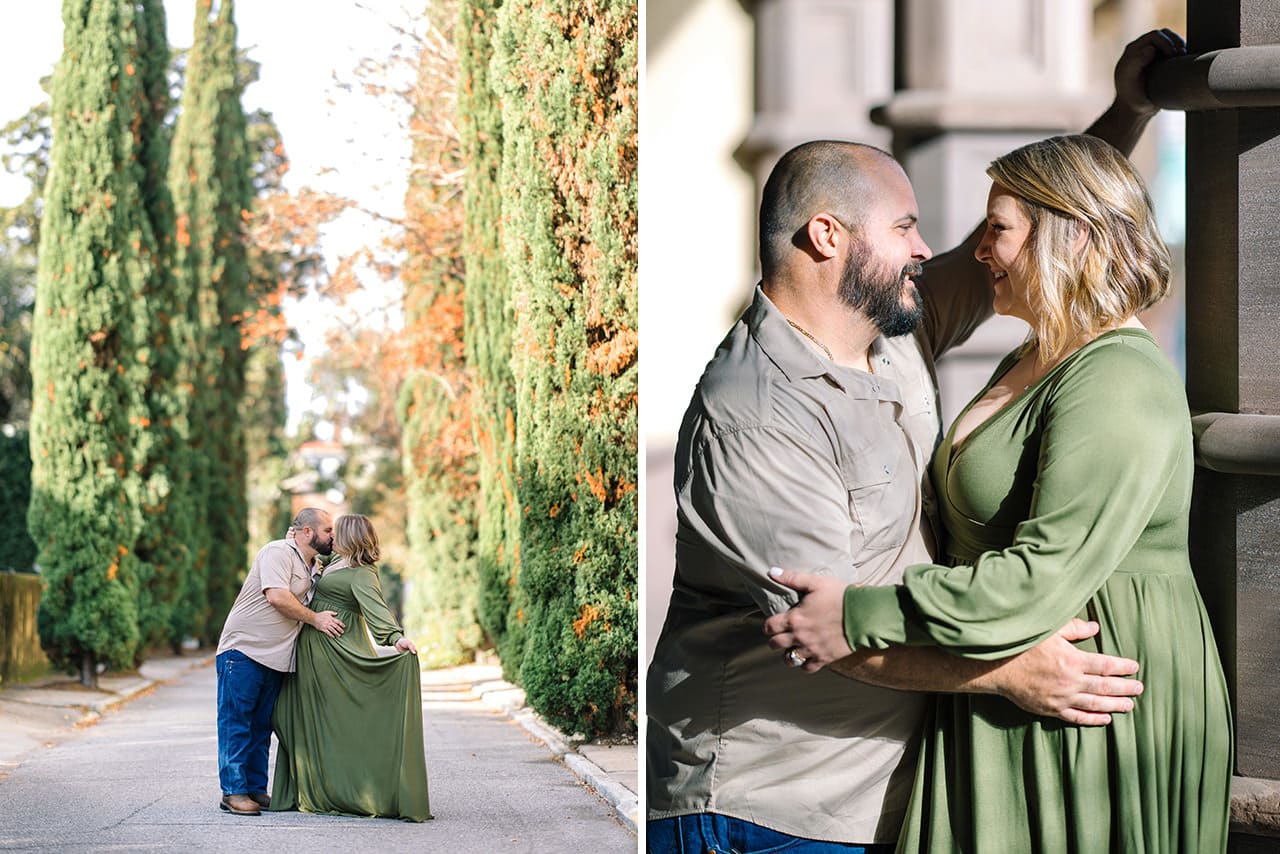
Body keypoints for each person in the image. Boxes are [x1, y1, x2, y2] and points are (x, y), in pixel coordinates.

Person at [646, 29, 1188, 854]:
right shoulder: (753, 416)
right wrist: (1010, 675)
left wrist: (1130, 107)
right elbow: (824, 635)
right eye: (904, 227)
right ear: (830, 237)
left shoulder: (893, 326)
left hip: (887, 790)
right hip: (770, 809)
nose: (927, 249)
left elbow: (1055, 225)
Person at [764, 134, 1231, 852]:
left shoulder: (1119, 379)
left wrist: (858, 616)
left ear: (1072, 235)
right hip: (1008, 679)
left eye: (999, 229)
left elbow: (1038, 577)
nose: (979, 249)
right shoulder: (1035, 356)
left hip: (1089, 702)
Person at [269, 513, 432, 822]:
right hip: (314, 651)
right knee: (292, 716)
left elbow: (376, 611)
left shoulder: (362, 572)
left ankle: (346, 790)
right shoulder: (335, 564)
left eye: (335, 531)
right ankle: (309, 784)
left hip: (335, 654)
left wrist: (396, 638)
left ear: (350, 536)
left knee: (338, 723)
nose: (330, 535)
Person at [215, 507, 345, 817]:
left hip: (276, 659)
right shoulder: (277, 552)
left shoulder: (315, 565)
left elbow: (346, 555)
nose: (333, 535)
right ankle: (233, 792)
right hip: (243, 651)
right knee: (237, 723)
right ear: (306, 532)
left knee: (262, 727)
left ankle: (256, 789)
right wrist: (315, 620)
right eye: (328, 530)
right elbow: (276, 596)